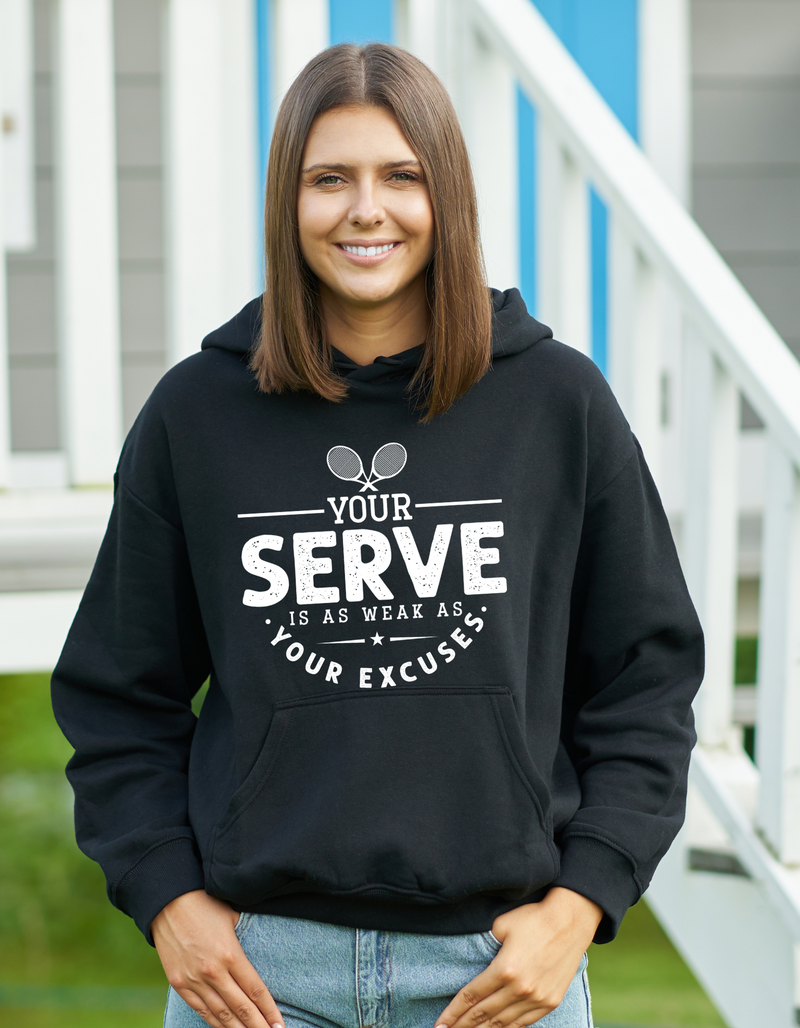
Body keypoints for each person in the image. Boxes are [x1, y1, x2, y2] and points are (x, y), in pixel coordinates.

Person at [51, 42, 703, 1028]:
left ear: (445, 195)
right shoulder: (198, 415)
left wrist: (578, 904)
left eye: (401, 175)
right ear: (287, 201)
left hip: (495, 970)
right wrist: (166, 895)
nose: (366, 210)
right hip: (259, 978)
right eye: (328, 179)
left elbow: (644, 677)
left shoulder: (553, 402)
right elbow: (116, 692)